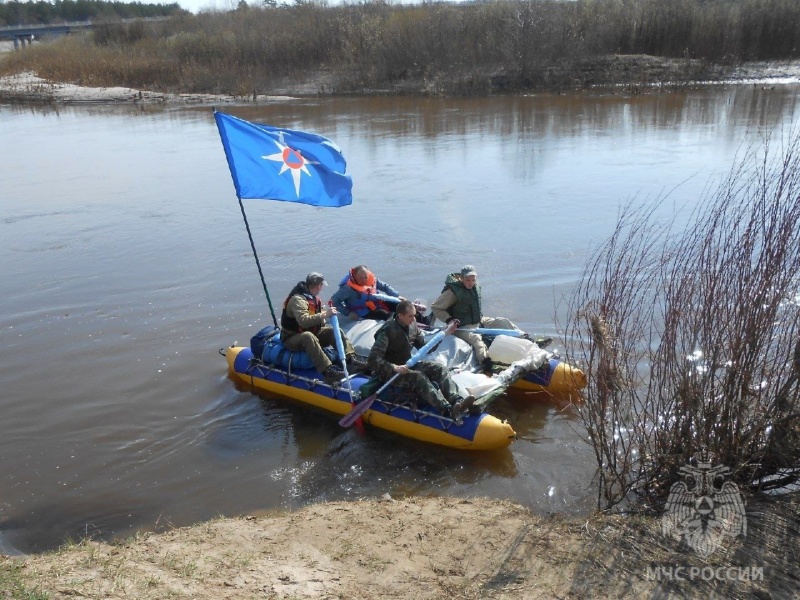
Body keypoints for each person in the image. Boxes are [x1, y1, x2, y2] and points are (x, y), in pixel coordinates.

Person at [367, 300, 475, 421]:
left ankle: (457, 400)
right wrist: (393, 367)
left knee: (439, 368)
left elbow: (426, 348)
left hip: (407, 365)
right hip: (390, 372)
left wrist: (445, 334)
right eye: (410, 316)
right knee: (418, 377)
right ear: (400, 316)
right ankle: (446, 409)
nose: (414, 319)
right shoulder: (387, 331)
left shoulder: (413, 326)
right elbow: (373, 359)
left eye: (414, 315)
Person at [431, 265, 552, 370]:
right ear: (461, 279)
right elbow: (436, 307)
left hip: (478, 321)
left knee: (502, 321)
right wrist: (449, 320)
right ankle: (487, 364)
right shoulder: (452, 292)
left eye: (473, 279)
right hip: (462, 327)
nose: (471, 282)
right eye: (468, 280)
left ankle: (528, 340)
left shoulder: (474, 287)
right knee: (476, 340)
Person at [280, 272, 368, 384]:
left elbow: (318, 318)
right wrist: (325, 314)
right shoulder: (298, 300)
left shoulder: (312, 297)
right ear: (318, 286)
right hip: (292, 337)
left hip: (311, 332)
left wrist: (326, 317)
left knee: (334, 331)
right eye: (322, 286)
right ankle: (328, 372)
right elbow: (303, 322)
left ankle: (351, 360)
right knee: (308, 337)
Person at [331, 265, 435, 326]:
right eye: (360, 278)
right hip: (364, 311)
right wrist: (348, 312)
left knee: (402, 305)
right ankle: (404, 326)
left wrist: (396, 296)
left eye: (365, 277)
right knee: (384, 314)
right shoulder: (347, 289)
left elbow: (385, 287)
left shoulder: (371, 280)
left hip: (377, 302)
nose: (364, 281)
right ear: (354, 277)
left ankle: (424, 320)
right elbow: (333, 301)